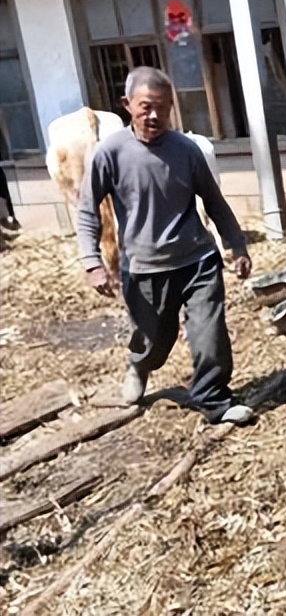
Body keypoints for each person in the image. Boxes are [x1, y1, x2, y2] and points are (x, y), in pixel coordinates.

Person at [76, 66, 255, 425]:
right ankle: (139, 365)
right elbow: (87, 210)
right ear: (127, 104)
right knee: (154, 340)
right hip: (144, 268)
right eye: (146, 107)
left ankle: (214, 400)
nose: (155, 115)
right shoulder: (109, 153)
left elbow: (214, 202)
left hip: (197, 260)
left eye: (163, 107)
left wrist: (237, 245)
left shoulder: (186, 150)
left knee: (209, 335)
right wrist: (92, 262)